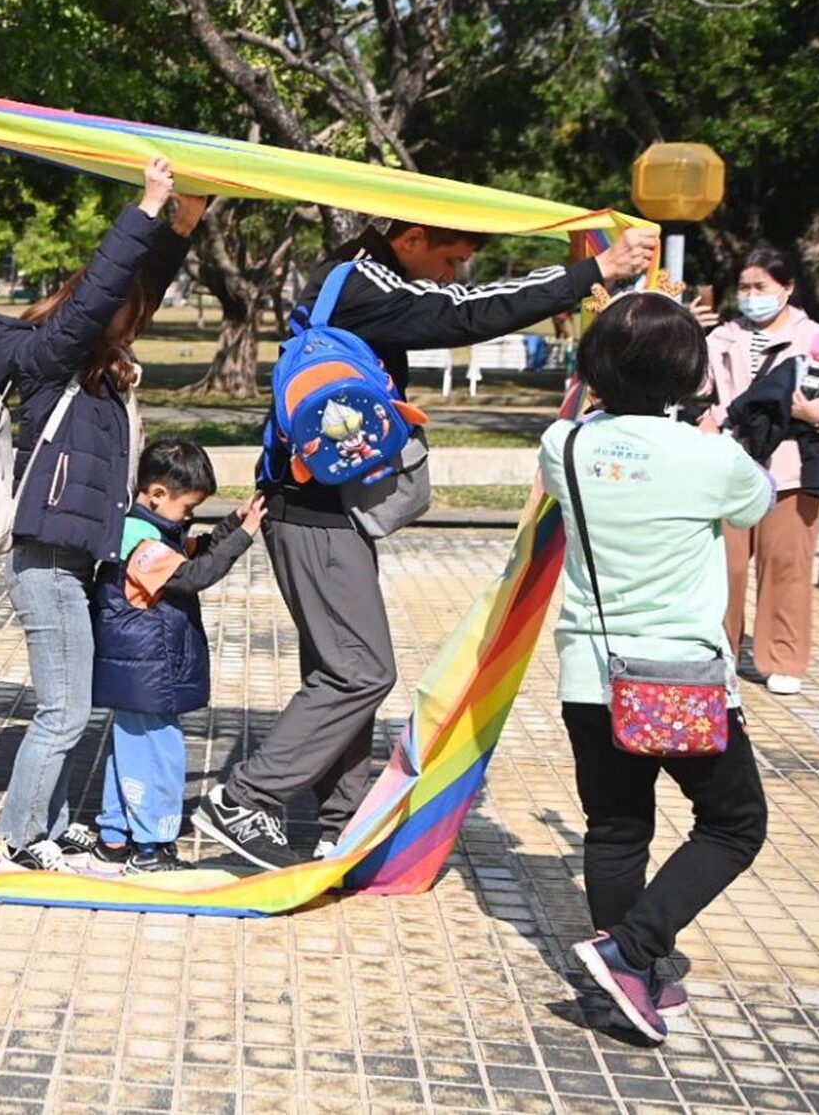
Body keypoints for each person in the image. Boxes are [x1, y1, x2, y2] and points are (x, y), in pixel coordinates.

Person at [192, 219, 661, 870]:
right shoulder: (361, 281)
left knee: (339, 668)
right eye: (451, 257)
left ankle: (341, 824)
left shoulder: (352, 282)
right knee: (361, 671)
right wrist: (590, 273)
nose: (452, 274)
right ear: (410, 237)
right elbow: (464, 313)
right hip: (314, 514)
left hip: (322, 511)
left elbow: (457, 303)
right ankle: (244, 799)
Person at [538, 292, 772, 1044]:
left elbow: (591, 436)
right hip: (682, 679)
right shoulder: (712, 457)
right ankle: (631, 951)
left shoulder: (562, 445)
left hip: (590, 672)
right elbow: (757, 503)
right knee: (735, 823)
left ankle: (627, 982)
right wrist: (707, 428)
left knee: (615, 828)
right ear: (689, 373)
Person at [0, 159, 206, 872]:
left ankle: (53, 823)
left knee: (72, 706)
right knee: (65, 710)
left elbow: (135, 290)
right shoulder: (49, 358)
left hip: (76, 562)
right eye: (123, 318)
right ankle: (23, 838)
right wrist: (147, 207)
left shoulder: (99, 375)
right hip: (45, 563)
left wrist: (183, 227)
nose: (133, 326)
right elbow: (104, 287)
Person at [702, 245, 819, 697]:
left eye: (761, 286)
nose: (751, 296)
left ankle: (783, 658)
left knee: (787, 567)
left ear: (787, 287)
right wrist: (686, 332)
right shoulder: (721, 338)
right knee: (722, 567)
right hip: (729, 467)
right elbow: (694, 387)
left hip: (794, 471)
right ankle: (717, 652)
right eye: (744, 287)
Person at [92, 441, 264, 874]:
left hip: (140, 671)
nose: (189, 517)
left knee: (130, 752)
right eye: (188, 507)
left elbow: (196, 549)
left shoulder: (150, 530)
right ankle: (151, 847)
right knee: (159, 756)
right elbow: (193, 575)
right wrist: (245, 535)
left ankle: (114, 839)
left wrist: (234, 521)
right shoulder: (141, 542)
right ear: (156, 494)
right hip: (147, 671)